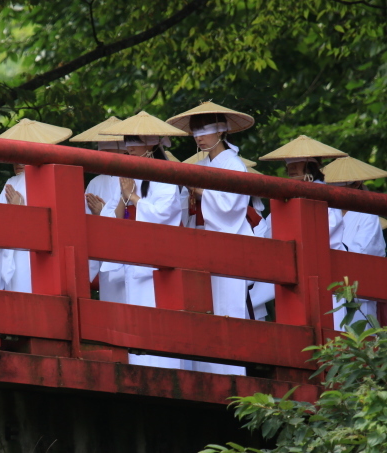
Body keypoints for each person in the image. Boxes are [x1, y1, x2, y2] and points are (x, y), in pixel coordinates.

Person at [167, 102, 255, 375]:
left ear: (221, 130)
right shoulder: (203, 164)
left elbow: (230, 206)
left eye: (204, 129)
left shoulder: (233, 164)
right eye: (195, 131)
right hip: (205, 242)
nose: (198, 136)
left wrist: (199, 190)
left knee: (227, 305)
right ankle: (207, 368)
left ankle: (230, 370)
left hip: (228, 241)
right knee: (206, 306)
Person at [99, 111, 187, 368]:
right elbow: (113, 216)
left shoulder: (165, 175)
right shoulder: (126, 173)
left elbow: (163, 213)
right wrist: (124, 196)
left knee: (157, 316)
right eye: (127, 143)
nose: (129, 148)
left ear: (151, 143)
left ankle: (164, 367)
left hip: (155, 259)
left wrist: (134, 197)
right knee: (133, 314)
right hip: (131, 254)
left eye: (134, 142)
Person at [259, 135, 349, 329]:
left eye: (297, 162)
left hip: (323, 268)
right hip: (292, 267)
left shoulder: (325, 193)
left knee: (330, 323)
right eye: (289, 163)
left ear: (310, 165)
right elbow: (268, 232)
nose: (291, 167)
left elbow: (329, 227)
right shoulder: (286, 195)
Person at [0, 118, 72, 293]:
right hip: (19, 252)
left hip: (38, 253)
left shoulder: (56, 180)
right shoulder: (13, 182)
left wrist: (22, 214)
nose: (18, 162)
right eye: (15, 156)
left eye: (23, 154)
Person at [322, 156, 387, 324]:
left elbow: (362, 252)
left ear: (356, 184)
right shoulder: (327, 213)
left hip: (358, 291)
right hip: (328, 285)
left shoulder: (367, 215)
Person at [70, 116, 127, 303]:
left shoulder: (132, 176)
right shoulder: (95, 182)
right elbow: (84, 220)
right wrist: (101, 216)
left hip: (131, 245)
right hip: (105, 251)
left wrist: (103, 212)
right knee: (111, 302)